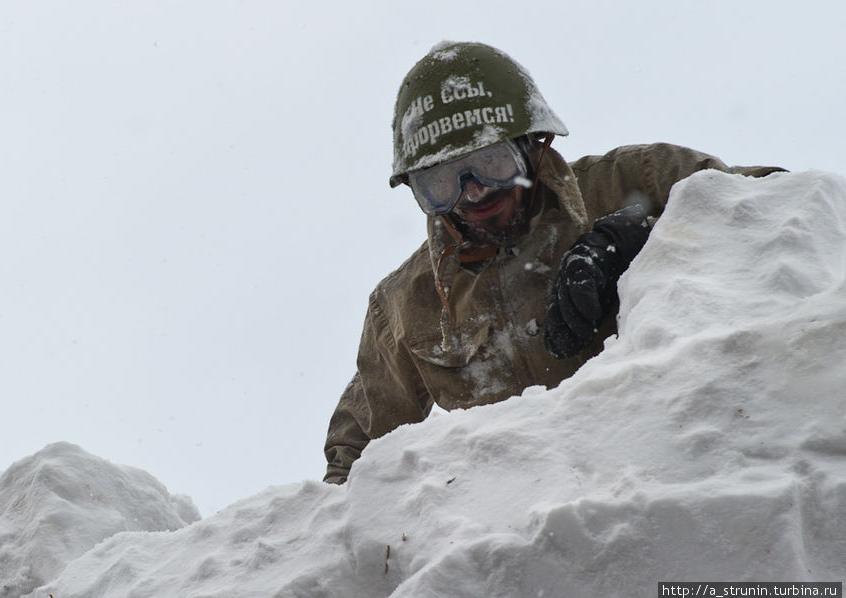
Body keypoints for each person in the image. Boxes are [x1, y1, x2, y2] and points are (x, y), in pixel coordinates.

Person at [323, 41, 783, 484]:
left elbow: (789, 212)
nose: (475, 192)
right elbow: (353, 467)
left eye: (492, 163)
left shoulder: (636, 180)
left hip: (685, 476)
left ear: (532, 147)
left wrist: (643, 234)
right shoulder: (406, 307)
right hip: (533, 537)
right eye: (443, 182)